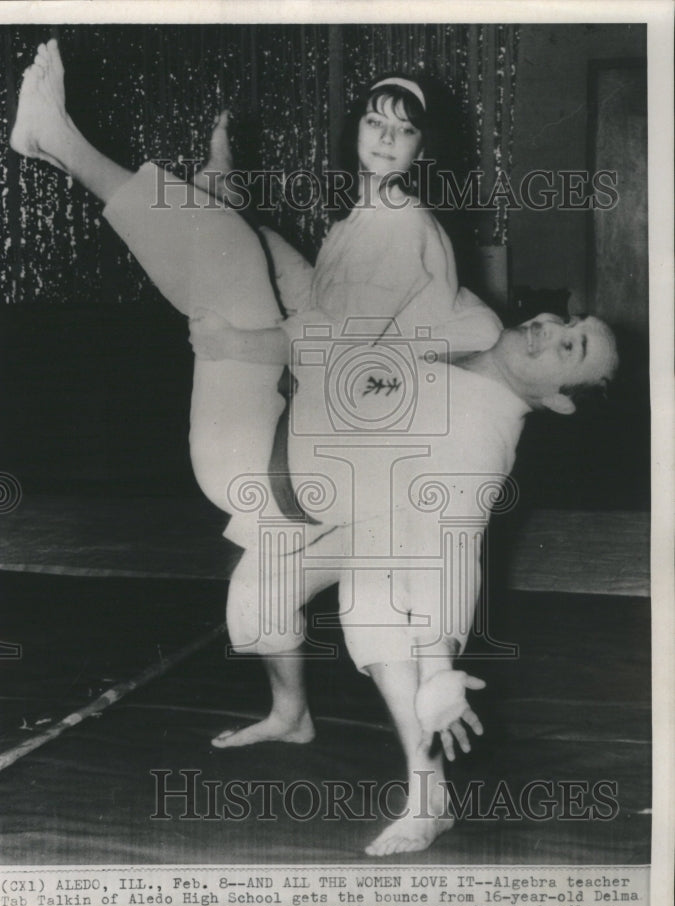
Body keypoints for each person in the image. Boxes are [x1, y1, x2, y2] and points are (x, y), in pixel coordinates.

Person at [9, 40, 502, 531]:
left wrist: (235, 343)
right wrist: (241, 218)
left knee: (230, 251)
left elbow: (332, 343)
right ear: (356, 129)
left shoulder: (402, 223)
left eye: (405, 129)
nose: (388, 137)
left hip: (279, 459)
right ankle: (70, 147)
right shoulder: (362, 221)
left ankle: (63, 142)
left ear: (422, 147)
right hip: (278, 444)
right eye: (376, 122)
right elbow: (316, 301)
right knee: (229, 243)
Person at [193, 311, 619, 854]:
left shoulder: (477, 439)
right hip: (346, 498)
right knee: (254, 605)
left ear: (559, 398)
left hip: (395, 529)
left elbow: (450, 549)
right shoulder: (469, 320)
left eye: (570, 347)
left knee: (374, 602)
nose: (549, 328)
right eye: (566, 321)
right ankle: (289, 716)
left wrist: (439, 671)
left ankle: (430, 797)